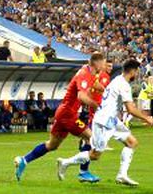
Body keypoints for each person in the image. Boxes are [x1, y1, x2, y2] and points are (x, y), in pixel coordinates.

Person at [57, 59, 153, 187]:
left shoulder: (117, 79)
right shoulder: (123, 85)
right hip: (103, 121)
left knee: (132, 142)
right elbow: (130, 109)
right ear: (133, 71)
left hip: (112, 119)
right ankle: (65, 162)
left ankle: (122, 175)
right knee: (95, 155)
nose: (137, 75)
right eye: (137, 72)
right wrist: (146, 118)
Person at [14, 53, 110, 183]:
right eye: (104, 63)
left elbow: (96, 84)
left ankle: (24, 160)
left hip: (63, 112)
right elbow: (82, 96)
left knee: (52, 145)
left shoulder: (89, 72)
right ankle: (83, 172)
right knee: (91, 138)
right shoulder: (84, 74)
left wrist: (106, 92)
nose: (105, 66)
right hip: (68, 114)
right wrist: (97, 106)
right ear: (97, 63)